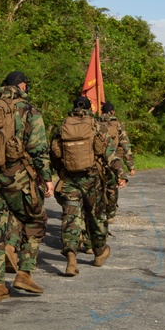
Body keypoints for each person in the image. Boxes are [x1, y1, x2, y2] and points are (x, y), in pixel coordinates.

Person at [0, 71, 53, 302]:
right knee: (35, 219)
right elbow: (38, 148)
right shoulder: (29, 111)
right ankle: (25, 272)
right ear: (22, 86)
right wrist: (46, 177)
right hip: (16, 175)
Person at [52, 96, 127, 276]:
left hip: (69, 179)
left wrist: (60, 171)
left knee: (70, 218)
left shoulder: (62, 126)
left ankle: (71, 257)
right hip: (92, 179)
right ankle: (99, 253)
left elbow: (54, 153)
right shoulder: (96, 125)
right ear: (90, 109)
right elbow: (110, 153)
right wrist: (120, 174)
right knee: (96, 216)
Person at [99, 102, 135, 221]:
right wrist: (130, 166)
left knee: (97, 186)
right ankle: (111, 212)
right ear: (113, 112)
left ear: (101, 111)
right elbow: (125, 146)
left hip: (97, 161)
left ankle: (98, 211)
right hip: (114, 161)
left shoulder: (96, 124)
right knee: (112, 187)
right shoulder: (118, 125)